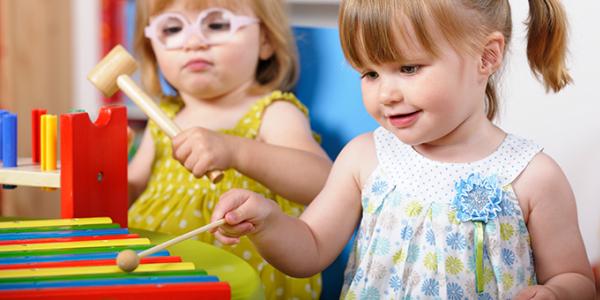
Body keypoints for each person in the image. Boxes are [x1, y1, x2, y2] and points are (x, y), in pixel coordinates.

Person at [210, 0, 596, 298]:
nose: (387, 94)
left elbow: (576, 278)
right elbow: (309, 249)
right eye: (370, 73)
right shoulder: (365, 158)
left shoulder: (532, 175)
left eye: (408, 68)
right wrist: (268, 222)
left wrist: (556, 292)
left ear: (487, 57)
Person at [127, 0, 332, 298]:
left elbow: (324, 183)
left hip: (243, 285)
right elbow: (129, 190)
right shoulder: (162, 119)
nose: (194, 42)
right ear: (152, 49)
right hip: (157, 277)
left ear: (265, 41)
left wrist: (237, 151)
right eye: (172, 28)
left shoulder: (272, 112)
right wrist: (98, 168)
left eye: (217, 24)